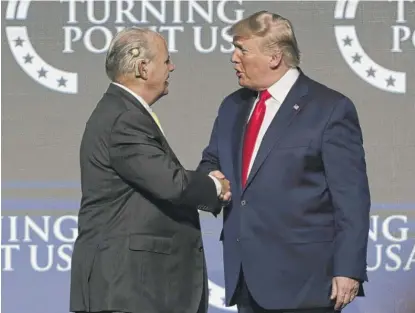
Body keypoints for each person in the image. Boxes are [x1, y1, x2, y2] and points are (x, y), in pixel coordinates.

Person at [198, 11, 371, 313]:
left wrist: (349, 268)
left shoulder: (329, 108)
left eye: (242, 49)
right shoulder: (232, 106)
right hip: (246, 278)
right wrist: (213, 178)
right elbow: (211, 161)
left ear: (275, 57)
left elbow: (351, 197)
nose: (233, 58)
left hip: (305, 281)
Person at [69, 27, 230, 313]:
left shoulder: (122, 111)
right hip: (129, 289)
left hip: (135, 289)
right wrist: (216, 187)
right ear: (144, 68)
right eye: (166, 60)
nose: (172, 66)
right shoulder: (124, 118)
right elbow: (171, 183)